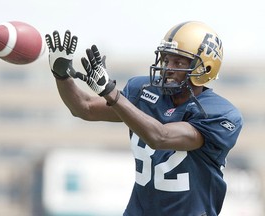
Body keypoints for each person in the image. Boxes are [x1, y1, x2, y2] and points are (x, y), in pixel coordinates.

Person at [45, 21, 243, 216]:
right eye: (165, 60)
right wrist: (61, 76)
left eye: (178, 62)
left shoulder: (220, 114)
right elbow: (84, 108)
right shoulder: (144, 90)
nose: (168, 68)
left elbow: (160, 137)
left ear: (205, 68)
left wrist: (111, 93)